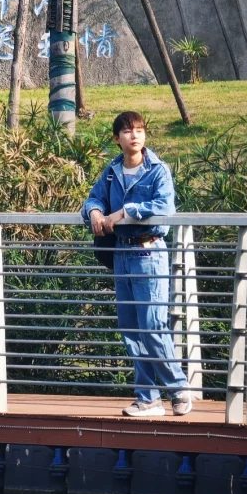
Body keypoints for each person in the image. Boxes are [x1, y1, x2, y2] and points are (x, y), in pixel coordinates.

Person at [81, 110, 191, 417]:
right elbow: (93, 199)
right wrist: (94, 212)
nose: (135, 136)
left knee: (153, 325)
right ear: (117, 139)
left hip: (148, 252)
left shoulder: (157, 170)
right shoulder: (113, 171)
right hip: (121, 253)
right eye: (128, 131)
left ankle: (179, 388)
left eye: (140, 130)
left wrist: (124, 212)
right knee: (131, 328)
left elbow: (164, 208)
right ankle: (148, 398)